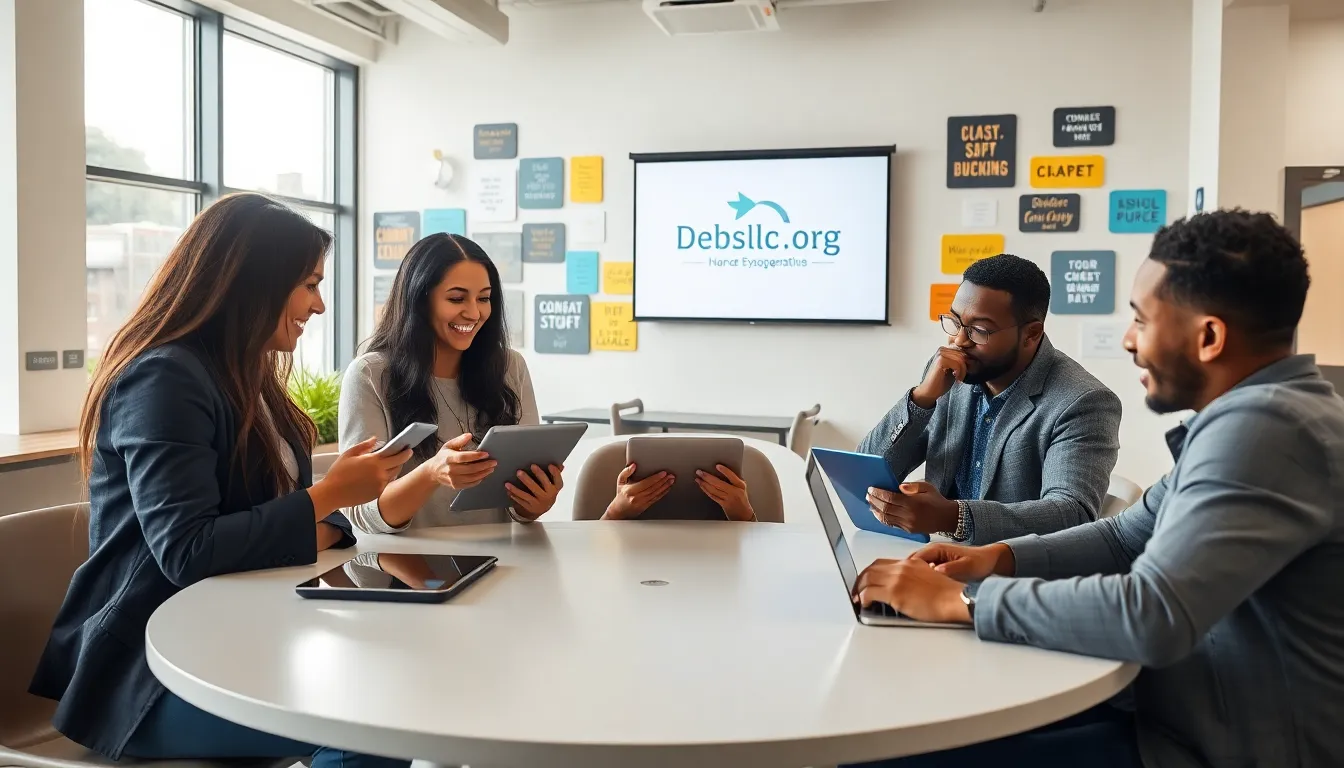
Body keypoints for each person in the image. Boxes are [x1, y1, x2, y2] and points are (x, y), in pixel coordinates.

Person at [849, 210, 1344, 767]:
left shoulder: (1268, 431)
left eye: (1142, 320)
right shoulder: (1254, 418)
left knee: (882, 752)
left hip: (1202, 746)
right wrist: (991, 558)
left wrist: (961, 599)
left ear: (1208, 337)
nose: (1129, 341)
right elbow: (1120, 539)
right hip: (1168, 708)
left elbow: (1152, 613)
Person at [28, 193, 413, 768]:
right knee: (377, 724)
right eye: (308, 284)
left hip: (244, 641)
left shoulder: (247, 376)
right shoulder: (163, 379)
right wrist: (328, 497)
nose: (320, 304)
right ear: (254, 282)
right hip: (153, 674)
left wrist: (320, 512)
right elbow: (189, 551)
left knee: (398, 685)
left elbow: (297, 521)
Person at [858, 253, 1121, 544]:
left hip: (1014, 574)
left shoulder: (1082, 401)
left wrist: (952, 516)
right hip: (935, 557)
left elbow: (1073, 513)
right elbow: (865, 471)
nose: (959, 340)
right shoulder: (948, 373)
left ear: (1031, 333)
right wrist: (921, 399)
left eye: (979, 330)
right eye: (955, 322)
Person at [340, 233, 558, 532]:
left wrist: (534, 502)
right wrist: (431, 473)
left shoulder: (509, 367)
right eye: (456, 298)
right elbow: (365, 515)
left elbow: (521, 510)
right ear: (419, 300)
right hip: (404, 568)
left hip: (501, 561)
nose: (474, 312)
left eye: (484, 298)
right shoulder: (370, 374)